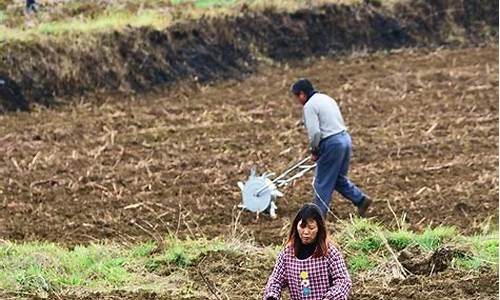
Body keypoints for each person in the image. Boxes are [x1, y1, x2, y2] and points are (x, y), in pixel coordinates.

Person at [291, 79, 372, 218]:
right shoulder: (326, 98)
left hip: (331, 143)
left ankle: (317, 217)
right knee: (337, 178)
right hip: (345, 139)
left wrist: (314, 150)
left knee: (321, 182)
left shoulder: (309, 106)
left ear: (302, 94)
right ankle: (361, 200)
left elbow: (315, 132)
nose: (298, 100)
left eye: (297, 97)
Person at [263, 203, 351, 300]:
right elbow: (276, 279)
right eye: (302, 227)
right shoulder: (288, 254)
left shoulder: (329, 252)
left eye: (311, 228)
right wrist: (272, 296)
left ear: (319, 228)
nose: (305, 232)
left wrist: (330, 297)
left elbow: (343, 280)